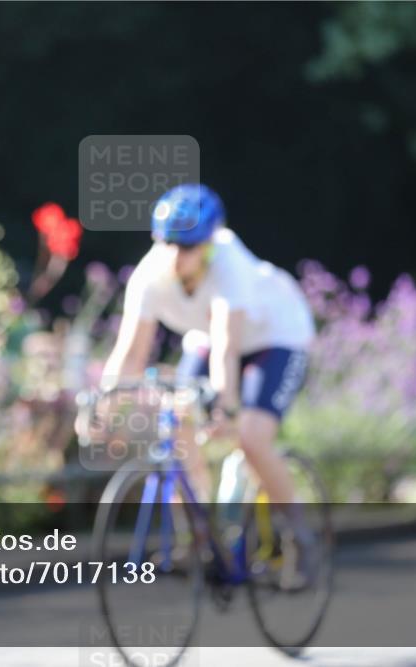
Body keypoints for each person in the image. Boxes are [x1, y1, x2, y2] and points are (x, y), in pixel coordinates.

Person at [95, 183, 318, 582]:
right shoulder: (149, 276)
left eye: (187, 247)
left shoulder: (228, 264)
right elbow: (130, 354)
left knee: (251, 438)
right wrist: (103, 408)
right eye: (167, 245)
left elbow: (227, 349)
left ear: (209, 245)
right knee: (177, 421)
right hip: (210, 339)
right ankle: (198, 535)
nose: (175, 257)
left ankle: (299, 535)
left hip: (277, 336)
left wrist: (226, 407)